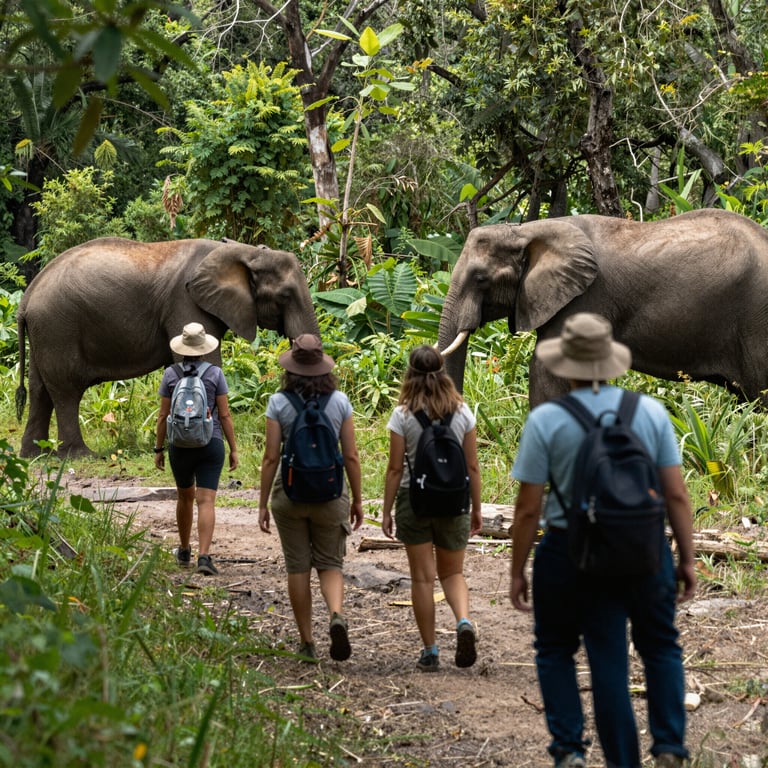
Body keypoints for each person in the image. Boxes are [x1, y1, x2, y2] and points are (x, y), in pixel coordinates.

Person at [509, 313, 697, 768]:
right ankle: (670, 745)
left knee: (563, 649)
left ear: (565, 365)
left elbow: (528, 509)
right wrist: (685, 559)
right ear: (612, 362)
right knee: (661, 645)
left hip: (572, 549)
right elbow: (675, 493)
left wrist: (517, 569)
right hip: (645, 546)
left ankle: (572, 749)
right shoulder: (648, 412)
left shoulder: (547, 420)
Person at [258, 334, 364, 662]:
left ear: (291, 368)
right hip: (331, 494)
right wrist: (357, 500)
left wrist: (262, 502)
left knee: (298, 567)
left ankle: (307, 642)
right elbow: (351, 457)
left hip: (289, 494)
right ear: (323, 366)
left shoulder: (278, 402)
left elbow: (271, 458)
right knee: (331, 564)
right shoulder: (340, 402)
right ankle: (335, 614)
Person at [381, 345, 483, 672]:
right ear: (443, 371)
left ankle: (430, 651)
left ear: (409, 374)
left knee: (422, 580)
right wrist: (477, 508)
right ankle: (464, 621)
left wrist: (386, 511)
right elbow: (473, 467)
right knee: (453, 572)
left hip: (416, 501)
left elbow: (395, 469)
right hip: (455, 501)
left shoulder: (403, 415)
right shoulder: (463, 412)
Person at [154, 322, 239, 575]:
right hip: (210, 443)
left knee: (184, 497)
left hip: (179, 444)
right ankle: (204, 556)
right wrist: (233, 448)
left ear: (182, 348)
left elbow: (162, 415)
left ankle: (183, 550)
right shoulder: (215, 374)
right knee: (206, 501)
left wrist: (159, 449)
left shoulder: (171, 374)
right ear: (204, 348)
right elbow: (224, 415)